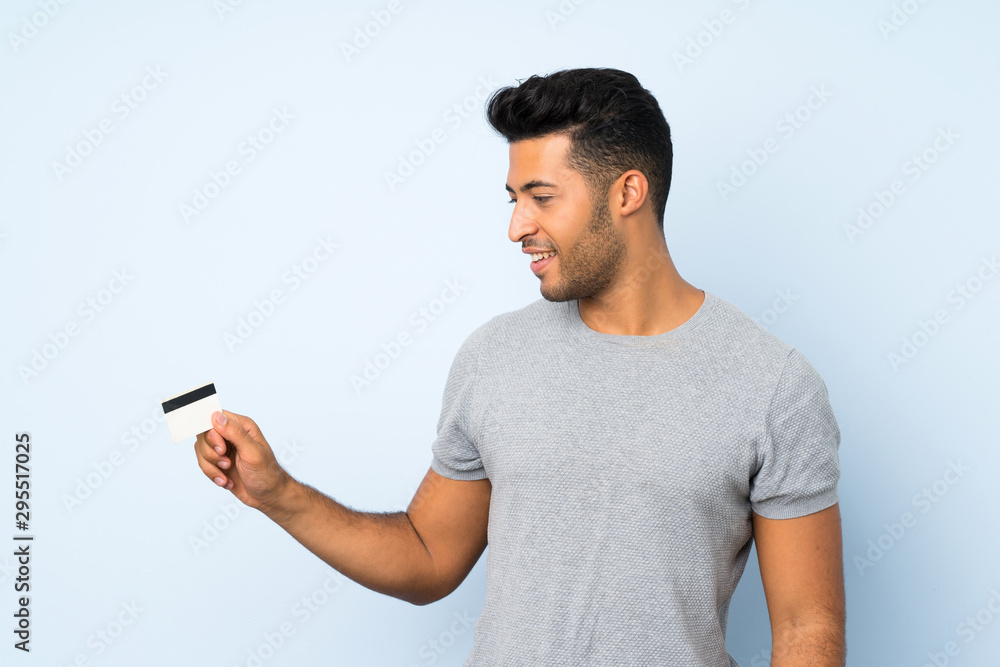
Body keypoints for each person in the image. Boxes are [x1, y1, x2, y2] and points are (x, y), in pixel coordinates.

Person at [194, 67, 845, 666]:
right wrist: (278, 492)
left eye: (541, 197)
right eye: (513, 197)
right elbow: (427, 555)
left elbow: (805, 629)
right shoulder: (493, 358)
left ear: (628, 192)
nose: (516, 226)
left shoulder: (773, 384)